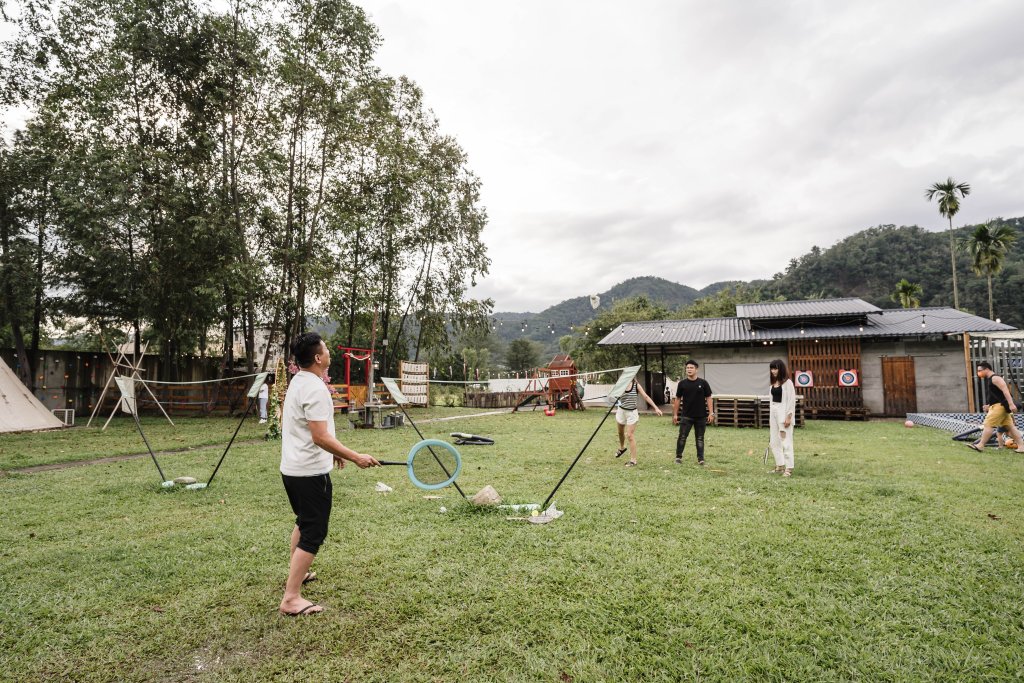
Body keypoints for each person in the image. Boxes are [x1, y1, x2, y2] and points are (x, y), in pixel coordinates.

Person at [279, 332, 380, 617]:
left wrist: (334, 451)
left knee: (304, 522)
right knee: (314, 530)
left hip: (293, 469)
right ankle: (291, 598)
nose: (329, 353)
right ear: (317, 357)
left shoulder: (299, 382)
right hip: (310, 474)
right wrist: (355, 456)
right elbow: (319, 436)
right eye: (326, 349)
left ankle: (299, 574)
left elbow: (310, 430)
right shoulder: (314, 388)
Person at [968, 361, 1024, 453]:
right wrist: (989, 406)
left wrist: (1011, 404)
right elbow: (998, 396)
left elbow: (1006, 391)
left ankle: (981, 445)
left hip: (1000, 407)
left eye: (980, 370)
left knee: (988, 425)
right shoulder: (990, 379)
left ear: (987, 369)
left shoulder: (995, 378)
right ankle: (1022, 447)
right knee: (1011, 427)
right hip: (999, 406)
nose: (978, 373)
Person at [614, 377, 663, 467]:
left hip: (631, 413)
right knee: (620, 432)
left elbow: (646, 396)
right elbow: (614, 397)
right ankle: (622, 448)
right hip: (621, 411)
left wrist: (656, 408)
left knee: (630, 435)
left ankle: (633, 460)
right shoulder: (620, 384)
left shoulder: (636, 385)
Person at [673, 360, 714, 466]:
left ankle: (701, 459)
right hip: (686, 416)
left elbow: (709, 397)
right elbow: (677, 399)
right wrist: (675, 414)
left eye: (691, 368)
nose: (689, 369)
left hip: (701, 416)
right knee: (682, 437)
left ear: (696, 369)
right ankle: (678, 457)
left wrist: (711, 413)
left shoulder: (703, 383)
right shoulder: (682, 384)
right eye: (687, 368)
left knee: (700, 438)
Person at [767, 359, 797, 477]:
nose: (773, 371)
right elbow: (772, 402)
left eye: (775, 368)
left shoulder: (788, 383)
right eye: (772, 368)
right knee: (774, 441)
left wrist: (789, 417)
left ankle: (789, 468)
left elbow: (791, 401)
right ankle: (780, 465)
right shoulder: (773, 384)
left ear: (781, 369)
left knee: (786, 441)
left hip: (783, 414)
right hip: (773, 414)